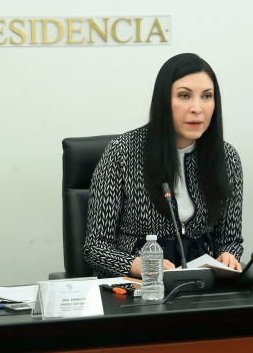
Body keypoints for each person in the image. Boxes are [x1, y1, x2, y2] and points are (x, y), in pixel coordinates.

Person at [83, 53, 243, 278]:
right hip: (138, 288)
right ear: (162, 100)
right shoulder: (123, 153)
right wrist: (137, 265)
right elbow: (96, 248)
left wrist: (228, 254)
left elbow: (230, 240)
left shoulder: (226, 157)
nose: (197, 108)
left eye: (207, 96)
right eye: (184, 95)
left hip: (202, 287)